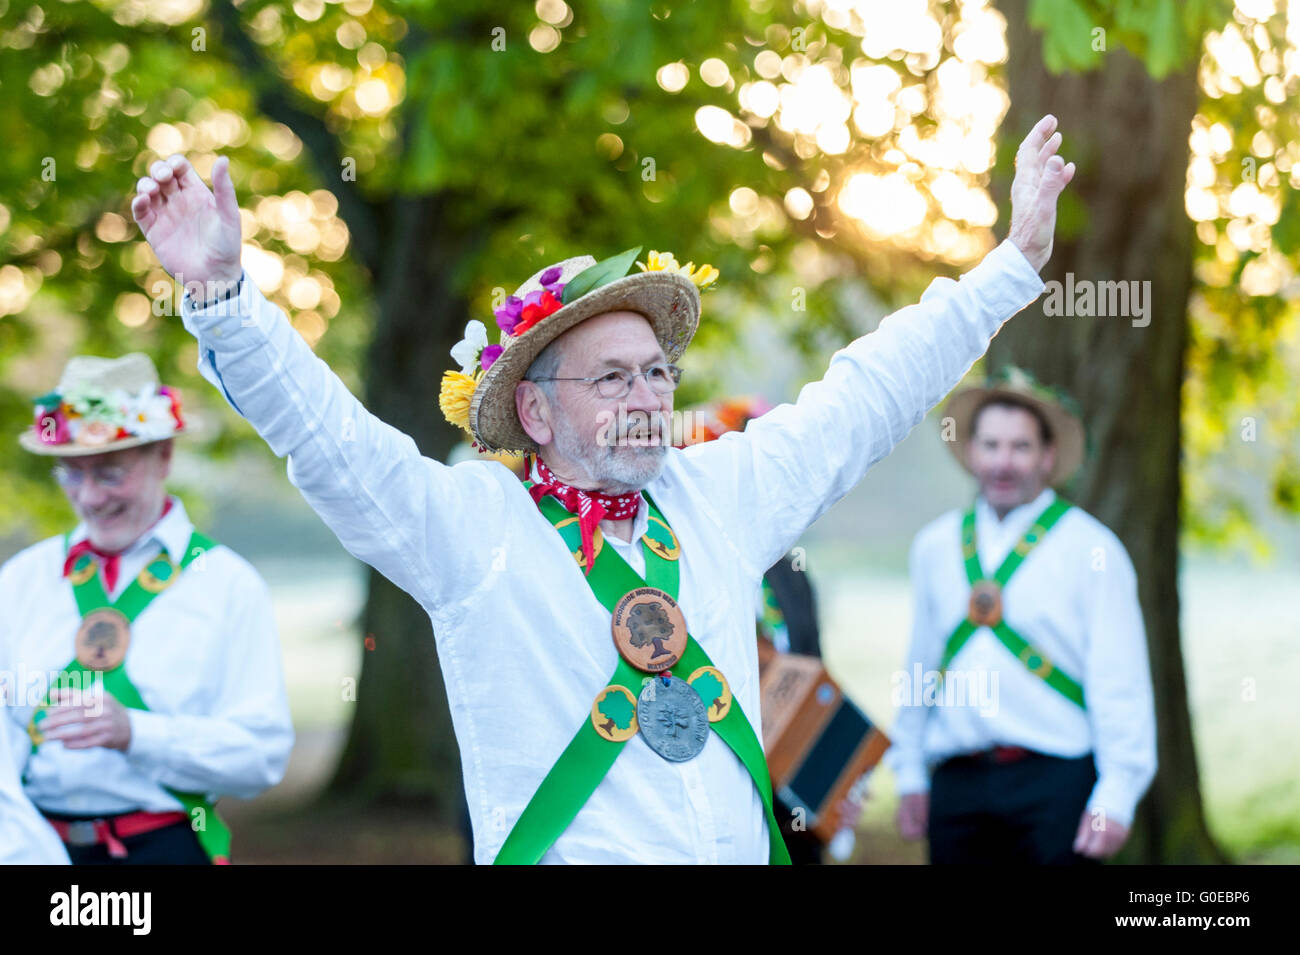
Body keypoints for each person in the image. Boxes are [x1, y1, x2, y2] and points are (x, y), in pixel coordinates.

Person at [130, 114, 1074, 864]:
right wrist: (223, 297)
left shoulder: (720, 495)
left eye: (657, 373)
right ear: (536, 416)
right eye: (612, 377)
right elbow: (328, 439)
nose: (647, 397)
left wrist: (1009, 270)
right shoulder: (470, 528)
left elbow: (868, 396)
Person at [1, 353, 294, 864]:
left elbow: (262, 758)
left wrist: (138, 734)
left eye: (110, 474)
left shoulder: (228, 584)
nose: (89, 498)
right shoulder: (23, 578)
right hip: (31, 846)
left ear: (164, 456)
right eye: (71, 474)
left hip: (164, 848)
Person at [888, 367, 1157, 863]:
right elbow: (920, 665)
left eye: (1021, 447)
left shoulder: (1093, 549)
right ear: (971, 452)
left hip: (1055, 783)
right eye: (990, 445)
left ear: (1048, 456)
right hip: (957, 784)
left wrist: (1118, 791)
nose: (1003, 462)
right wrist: (908, 769)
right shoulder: (935, 546)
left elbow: (1120, 679)